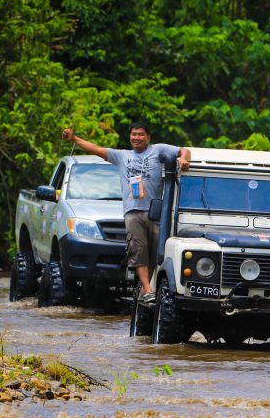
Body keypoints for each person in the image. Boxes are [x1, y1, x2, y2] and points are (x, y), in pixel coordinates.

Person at [61, 122, 191, 304]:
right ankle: (147, 288)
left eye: (140, 134)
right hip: (132, 211)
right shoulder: (122, 156)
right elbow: (96, 149)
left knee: (154, 253)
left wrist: (183, 159)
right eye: (133, 134)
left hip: (154, 211)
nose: (136, 138)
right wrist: (74, 138)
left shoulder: (158, 150)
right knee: (138, 249)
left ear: (148, 137)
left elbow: (184, 151)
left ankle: (144, 288)